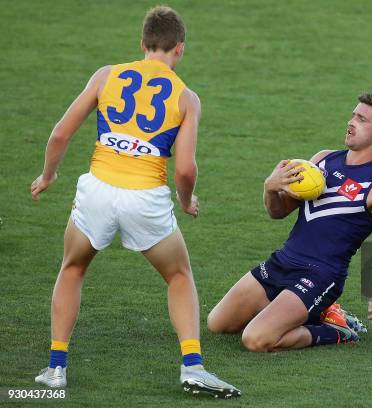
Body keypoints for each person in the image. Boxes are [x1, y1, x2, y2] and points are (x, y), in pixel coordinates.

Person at [30, 6, 240, 398]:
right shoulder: (186, 98)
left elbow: (60, 134)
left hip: (97, 189)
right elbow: (185, 169)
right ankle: (193, 365)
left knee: (73, 267)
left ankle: (56, 367)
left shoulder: (106, 75)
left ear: (142, 45)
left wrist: (47, 176)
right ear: (180, 48)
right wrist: (186, 200)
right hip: (145, 198)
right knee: (178, 275)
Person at [207, 93, 372, 351]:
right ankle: (311, 311)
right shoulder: (321, 161)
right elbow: (278, 212)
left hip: (319, 276)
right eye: (353, 115)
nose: (351, 122)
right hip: (282, 262)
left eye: (362, 119)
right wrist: (270, 188)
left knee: (256, 339)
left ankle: (337, 330)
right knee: (217, 324)